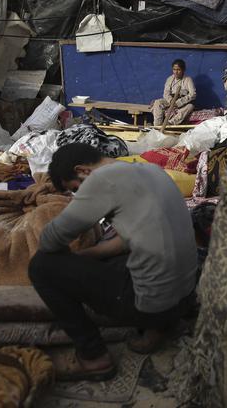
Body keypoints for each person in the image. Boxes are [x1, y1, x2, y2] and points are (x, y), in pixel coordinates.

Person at [28, 143, 197, 381]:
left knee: (41, 266)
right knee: (115, 259)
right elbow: (130, 240)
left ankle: (93, 357)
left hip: (152, 307)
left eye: (75, 189)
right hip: (184, 299)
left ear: (82, 170)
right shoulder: (150, 170)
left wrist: (64, 258)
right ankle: (161, 326)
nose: (79, 195)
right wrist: (83, 257)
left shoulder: (102, 180)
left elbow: (50, 239)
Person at [151, 59, 197, 126]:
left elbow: (193, 94)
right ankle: (157, 125)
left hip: (182, 102)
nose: (176, 72)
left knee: (190, 106)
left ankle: (171, 123)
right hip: (171, 101)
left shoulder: (188, 80)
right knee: (157, 102)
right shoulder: (170, 79)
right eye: (174, 69)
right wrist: (171, 100)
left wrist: (179, 102)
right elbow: (166, 93)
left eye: (178, 70)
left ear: (183, 70)